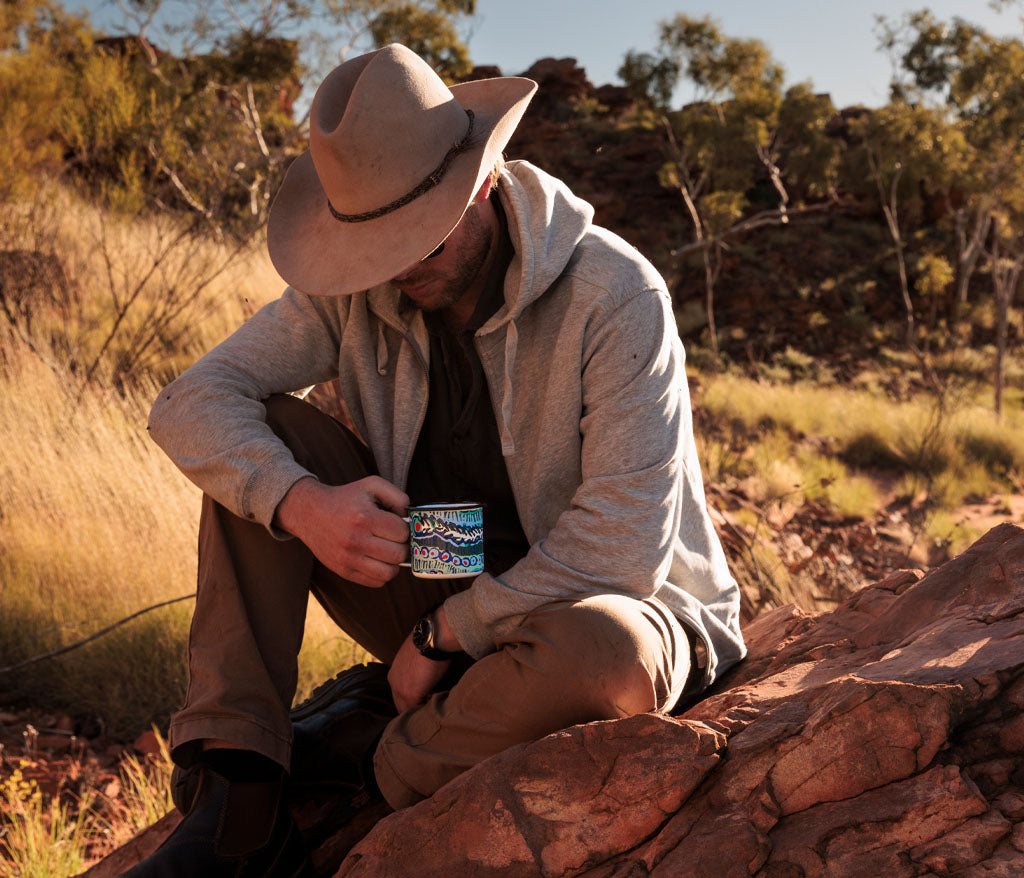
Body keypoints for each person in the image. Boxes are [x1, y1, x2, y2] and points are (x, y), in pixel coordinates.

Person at [127, 42, 746, 876]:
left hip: (600, 600)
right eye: (375, 238)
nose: (397, 262)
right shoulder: (358, 285)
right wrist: (303, 502)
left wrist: (444, 632)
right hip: (441, 557)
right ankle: (239, 791)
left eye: (420, 231)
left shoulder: (615, 295)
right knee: (265, 444)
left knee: (610, 660)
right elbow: (189, 404)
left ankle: (373, 755)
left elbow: (622, 550)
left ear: (483, 180)